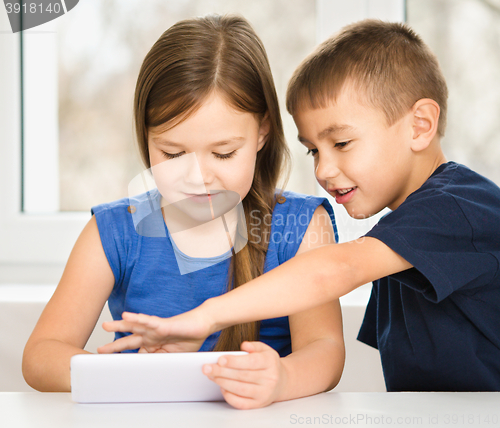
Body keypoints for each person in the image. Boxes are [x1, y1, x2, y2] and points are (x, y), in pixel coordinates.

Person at [99, 19, 500, 392]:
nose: (324, 170)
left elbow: (335, 269)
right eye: (312, 151)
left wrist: (205, 317)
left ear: (420, 126)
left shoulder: (459, 208)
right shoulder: (407, 235)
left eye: (341, 143)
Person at [22, 15, 345, 409]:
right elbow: (40, 356)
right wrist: (133, 380)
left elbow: (326, 350)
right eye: (173, 154)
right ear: (145, 136)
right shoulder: (115, 231)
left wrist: (283, 380)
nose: (198, 178)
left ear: (262, 131)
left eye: (223, 153)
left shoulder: (302, 227)